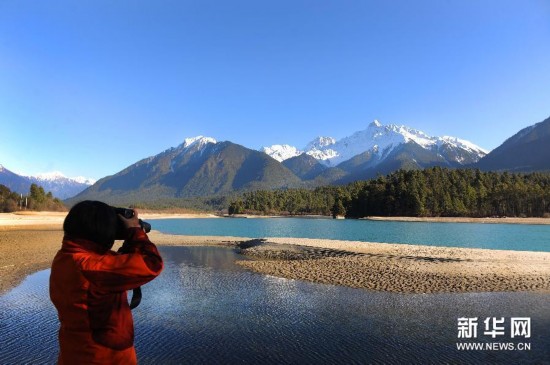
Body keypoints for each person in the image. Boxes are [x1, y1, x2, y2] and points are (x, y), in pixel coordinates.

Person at [50, 200, 163, 364]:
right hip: (103, 357)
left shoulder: (66, 257)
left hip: (74, 353)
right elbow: (152, 264)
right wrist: (135, 232)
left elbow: (117, 265)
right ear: (101, 231)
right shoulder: (92, 267)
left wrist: (130, 241)